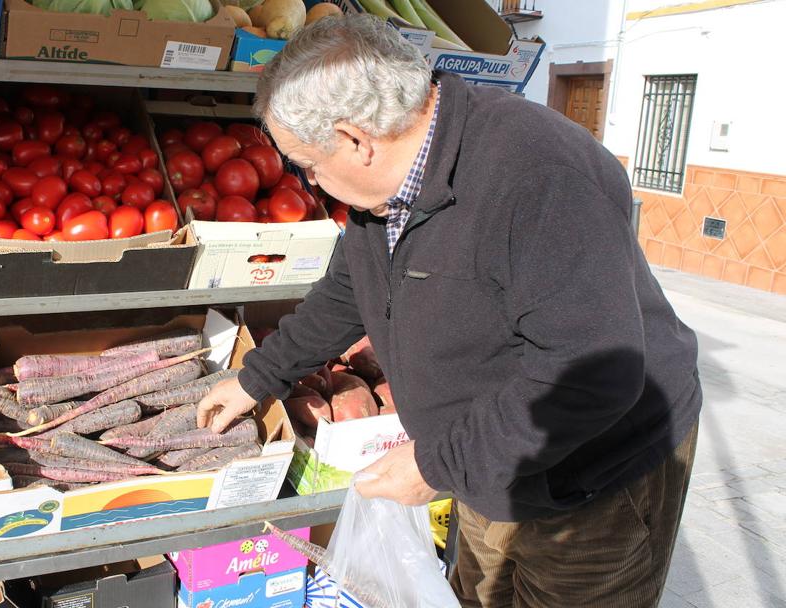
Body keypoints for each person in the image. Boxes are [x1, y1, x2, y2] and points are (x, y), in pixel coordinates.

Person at [197, 14, 702, 608]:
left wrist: (440, 464)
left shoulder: (537, 177)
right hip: (491, 455)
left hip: (595, 476)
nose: (307, 180)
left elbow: (593, 373)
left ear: (357, 138)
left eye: (306, 163)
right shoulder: (383, 193)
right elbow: (350, 290)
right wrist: (258, 377)